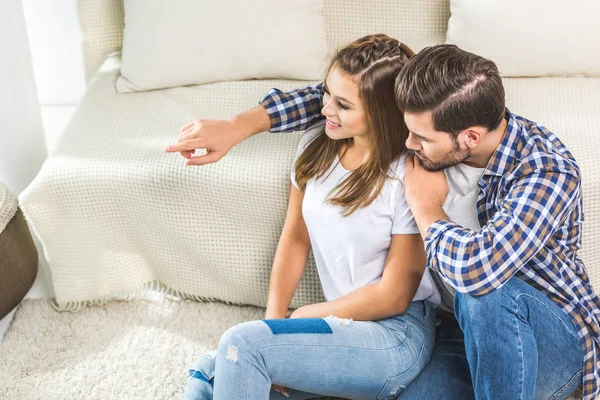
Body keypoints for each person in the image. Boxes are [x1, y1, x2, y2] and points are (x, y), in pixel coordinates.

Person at [168, 43, 600, 399]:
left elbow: (478, 272)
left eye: (420, 138)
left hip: (548, 336)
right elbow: (344, 94)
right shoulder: (438, 120)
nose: (407, 144)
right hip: (455, 334)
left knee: (482, 293)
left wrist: (426, 206)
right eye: (405, 127)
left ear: (468, 138)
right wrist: (237, 126)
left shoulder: (545, 170)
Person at [181, 34, 440, 399]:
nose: (325, 109)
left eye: (343, 105)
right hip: (337, 325)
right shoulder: (314, 146)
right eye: (327, 95)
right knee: (207, 377)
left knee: (242, 347)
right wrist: (272, 324)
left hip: (395, 334)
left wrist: (305, 316)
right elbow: (295, 238)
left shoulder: (407, 175)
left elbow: (395, 295)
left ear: (381, 111)